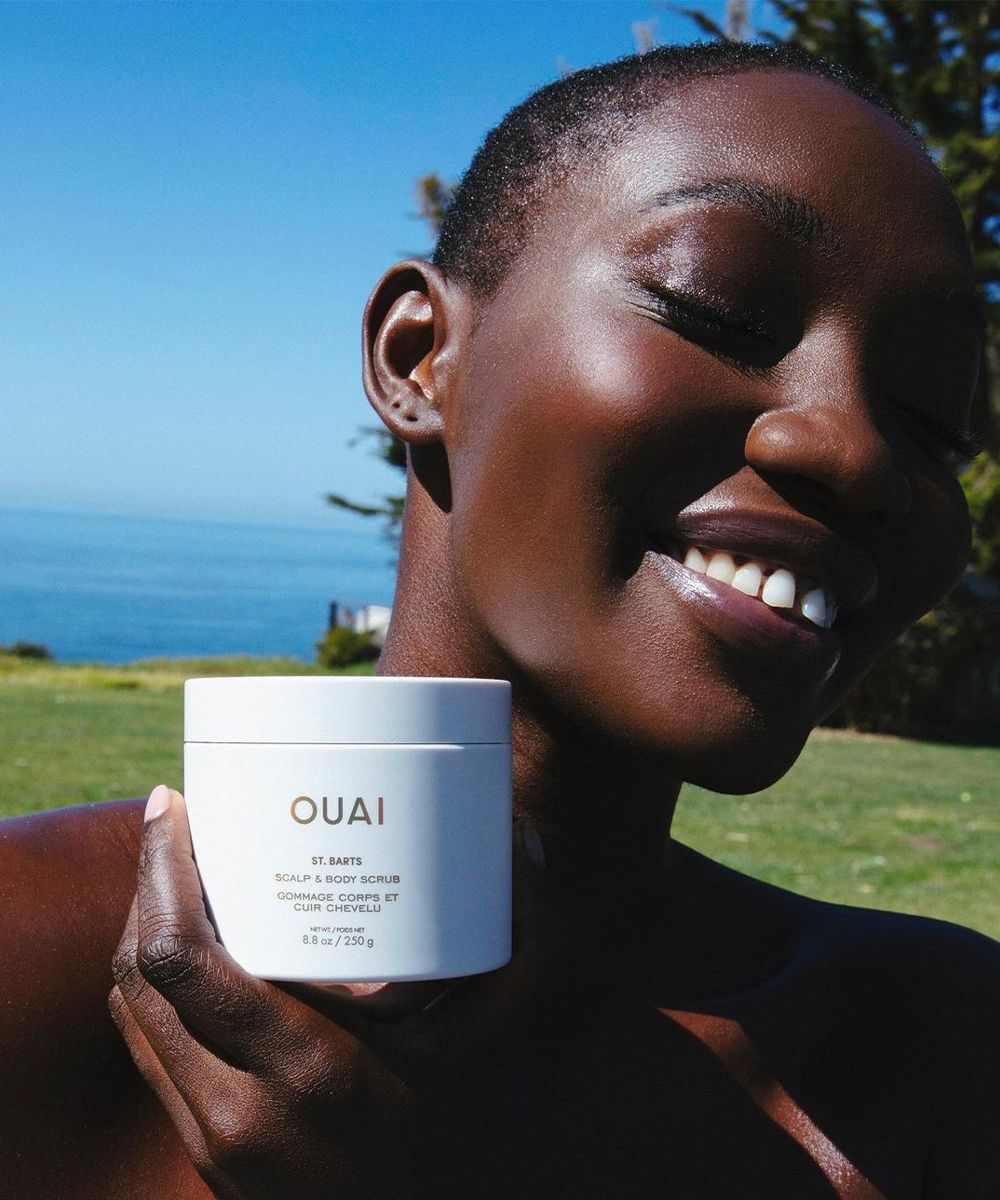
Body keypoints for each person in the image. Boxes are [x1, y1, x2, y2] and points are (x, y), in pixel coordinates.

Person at [1, 40, 997, 1200]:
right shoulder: (29, 970)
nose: (857, 448)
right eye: (714, 307)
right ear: (417, 358)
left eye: (930, 421)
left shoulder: (941, 1044)